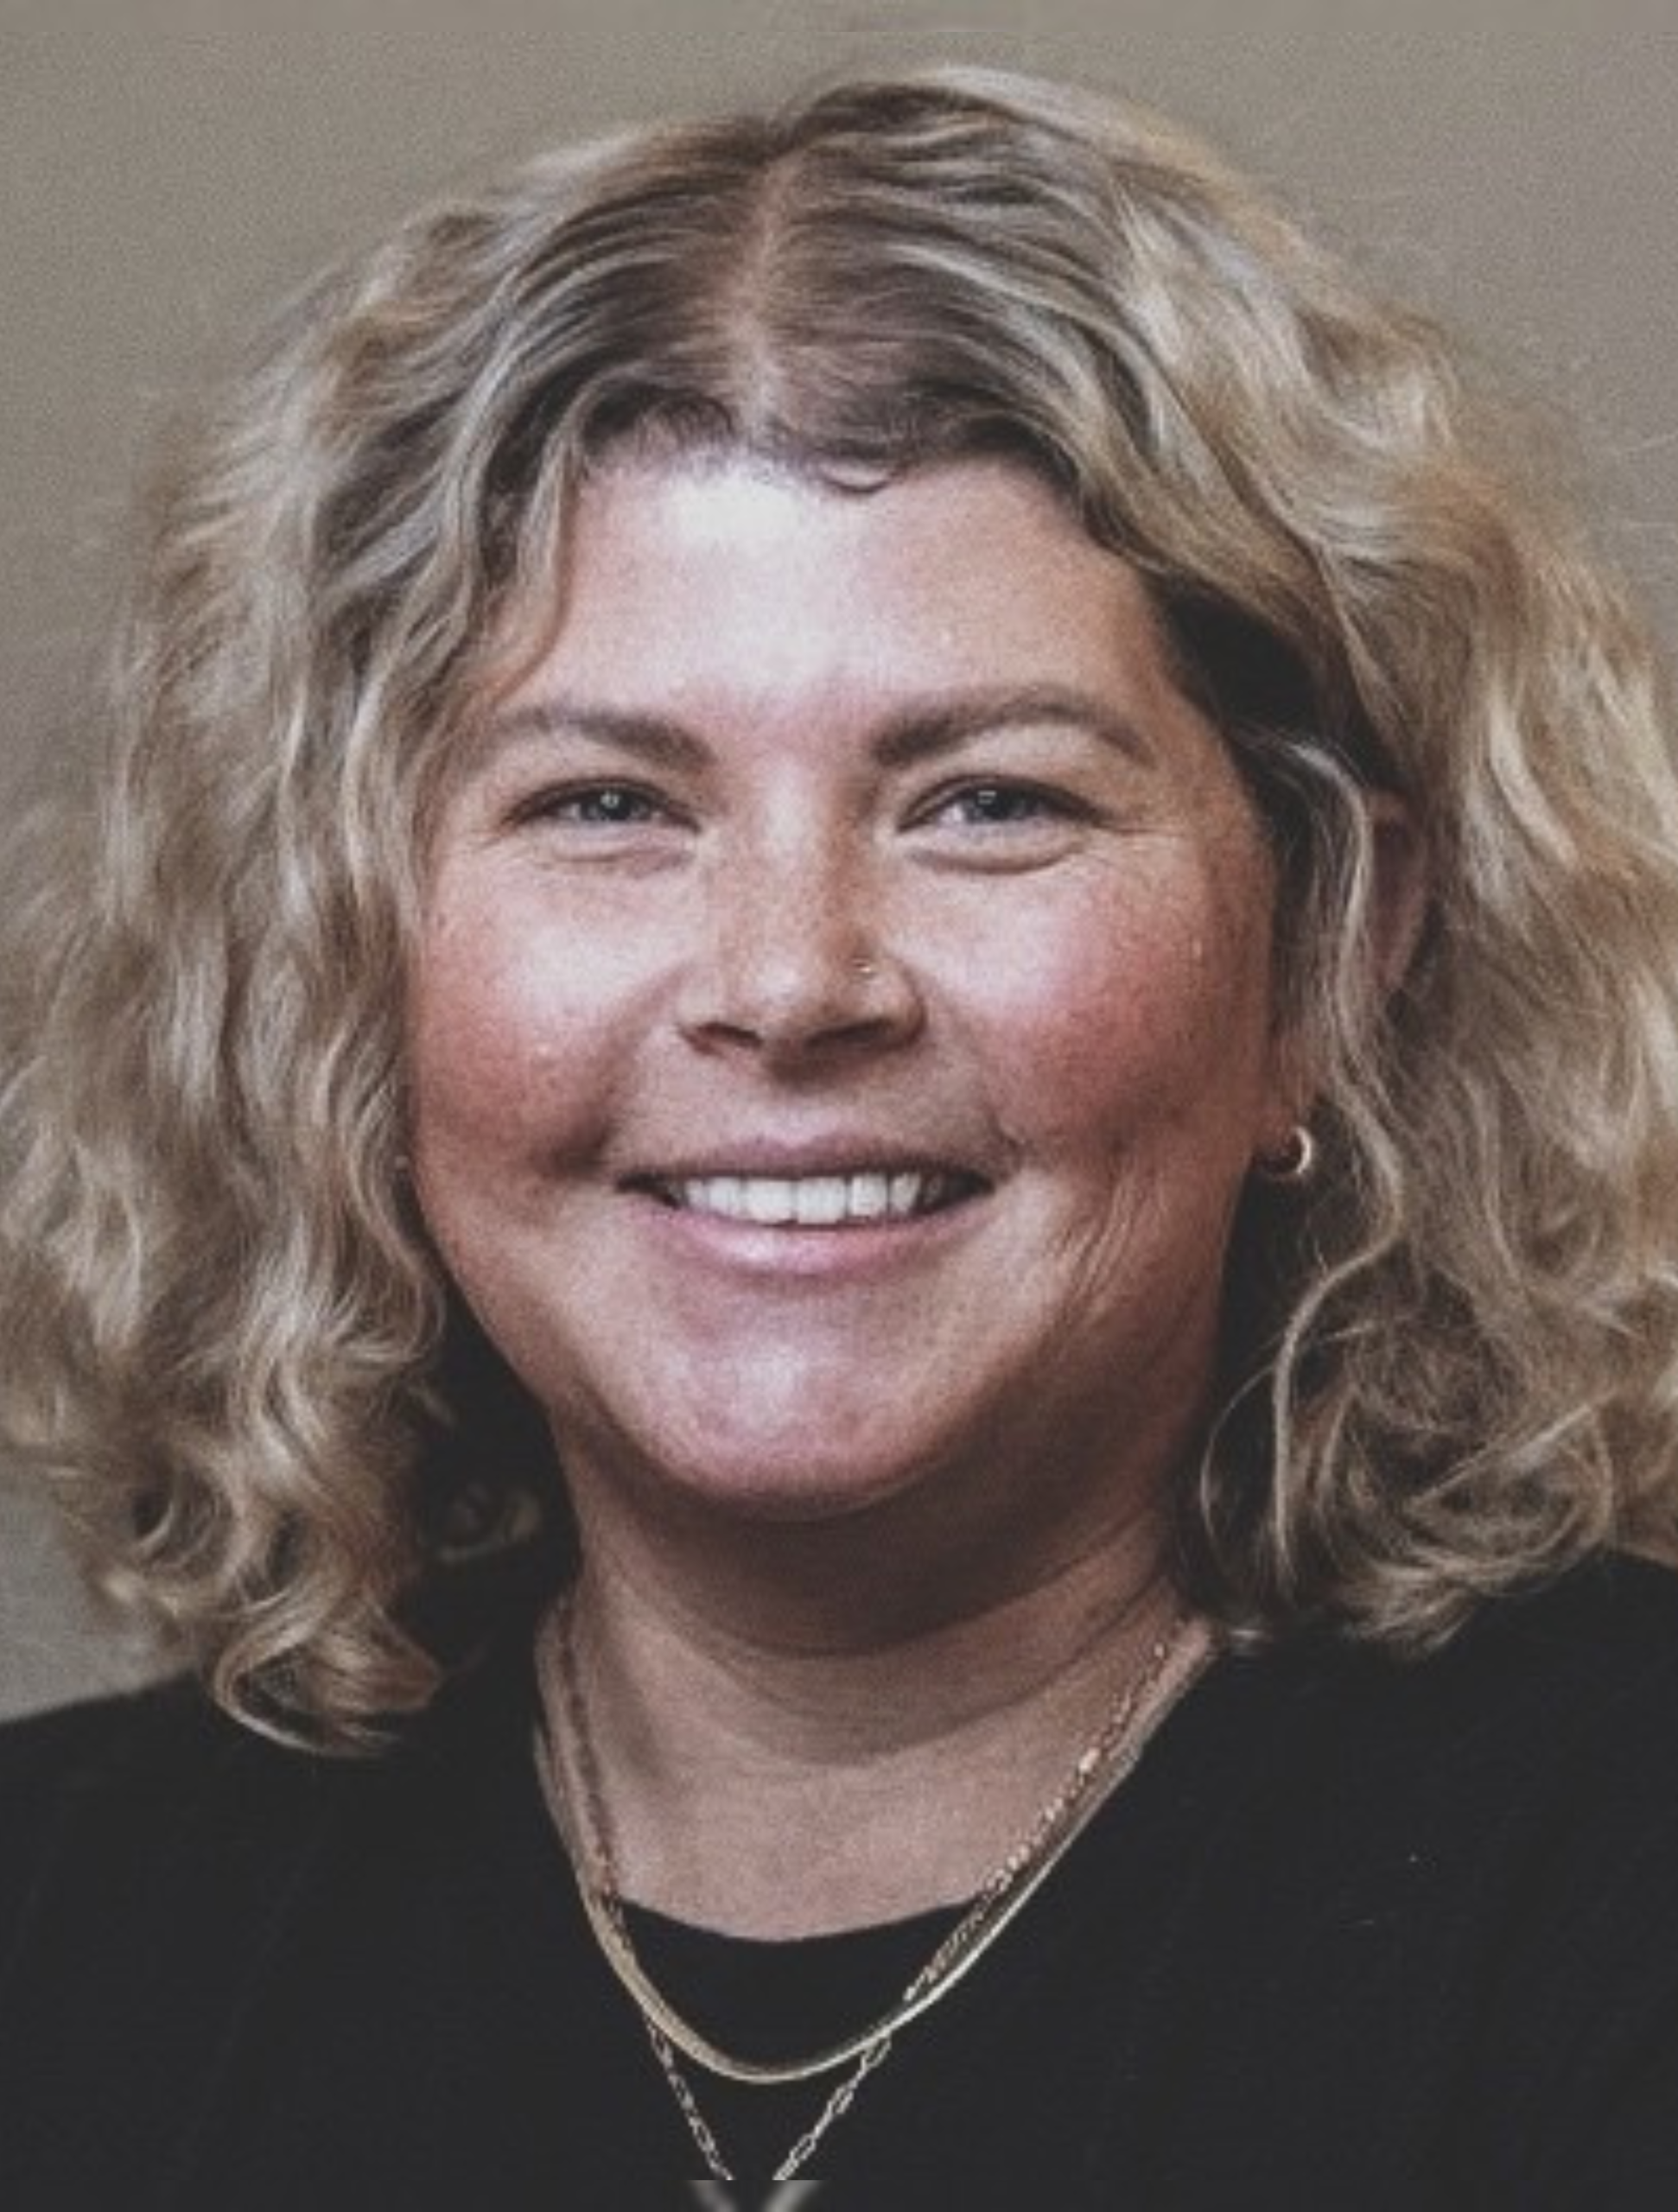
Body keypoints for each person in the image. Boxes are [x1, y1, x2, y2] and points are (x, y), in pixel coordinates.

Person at [3, 62, 1678, 2211]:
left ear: (1329, 959)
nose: (790, 981)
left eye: (989, 797)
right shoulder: (58, 1937)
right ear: (347, 959)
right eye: (605, 803)